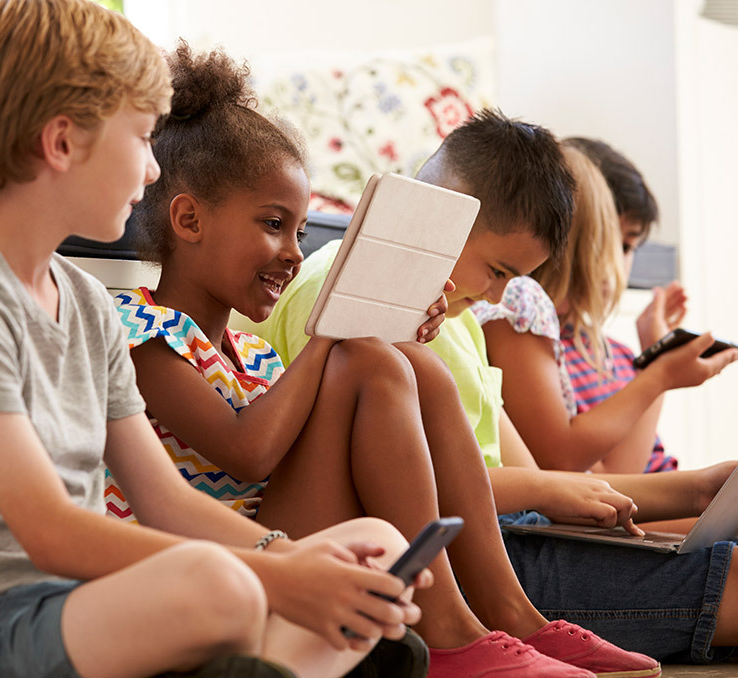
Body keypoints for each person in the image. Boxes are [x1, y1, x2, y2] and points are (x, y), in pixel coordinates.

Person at [0, 3, 434, 677]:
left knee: (370, 543)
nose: (155, 172)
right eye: (139, 139)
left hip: (86, 608)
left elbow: (166, 501)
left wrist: (288, 556)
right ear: (61, 142)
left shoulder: (85, 304)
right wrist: (277, 583)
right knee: (219, 588)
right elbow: (47, 530)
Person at [111, 45, 661, 678]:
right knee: (367, 359)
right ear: (188, 218)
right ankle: (448, 631)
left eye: (298, 232)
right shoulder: (143, 332)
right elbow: (249, 453)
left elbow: (323, 447)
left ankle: (507, 614)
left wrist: (393, 338)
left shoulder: (255, 357)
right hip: (223, 569)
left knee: (406, 364)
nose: (293, 252)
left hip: (291, 547)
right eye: (273, 224)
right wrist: (334, 333)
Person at [255, 108, 738, 664]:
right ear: (442, 218)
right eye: (499, 270)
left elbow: (527, 476)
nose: (493, 296)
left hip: (496, 536)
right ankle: (475, 628)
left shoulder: (452, 319)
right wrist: (544, 491)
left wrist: (697, 489)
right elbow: (403, 477)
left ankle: (514, 619)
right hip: (450, 544)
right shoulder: (345, 292)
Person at [473, 142, 736, 474]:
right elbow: (600, 479)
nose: (615, 260)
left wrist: (656, 366)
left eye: (627, 247)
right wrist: (659, 371)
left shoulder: (616, 355)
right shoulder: (519, 308)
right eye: (611, 241)